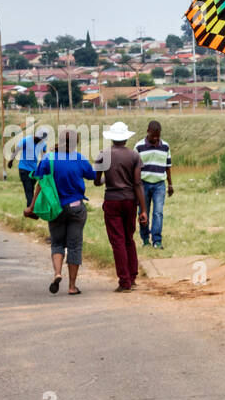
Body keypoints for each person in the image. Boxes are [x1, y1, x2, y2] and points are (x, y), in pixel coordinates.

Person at [24, 128, 98, 295]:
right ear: (76, 142)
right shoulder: (79, 159)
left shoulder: (48, 159)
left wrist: (32, 206)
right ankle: (72, 286)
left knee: (57, 243)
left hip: (56, 208)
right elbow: (93, 176)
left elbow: (40, 183)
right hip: (76, 208)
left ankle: (57, 273)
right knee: (74, 246)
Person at [94, 121, 147, 291]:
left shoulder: (103, 155)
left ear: (111, 138)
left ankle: (123, 281)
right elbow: (138, 183)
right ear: (125, 138)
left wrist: (104, 179)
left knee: (117, 241)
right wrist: (143, 209)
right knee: (128, 238)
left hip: (112, 200)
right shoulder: (134, 156)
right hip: (130, 201)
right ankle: (132, 276)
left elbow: (96, 181)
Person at [136, 121, 173, 249]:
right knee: (143, 212)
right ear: (148, 131)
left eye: (158, 136)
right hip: (143, 185)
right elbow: (135, 169)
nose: (155, 139)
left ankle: (157, 240)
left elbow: (168, 167)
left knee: (158, 213)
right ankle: (145, 239)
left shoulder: (165, 146)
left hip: (159, 185)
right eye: (153, 136)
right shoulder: (139, 147)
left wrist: (170, 185)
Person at [13, 122, 52, 218]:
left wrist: (44, 168)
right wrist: (11, 160)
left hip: (34, 171)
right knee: (28, 189)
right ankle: (31, 210)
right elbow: (17, 149)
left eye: (41, 139)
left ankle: (31, 208)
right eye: (39, 139)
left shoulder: (43, 144)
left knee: (33, 189)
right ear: (36, 135)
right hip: (23, 168)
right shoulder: (26, 140)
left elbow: (43, 156)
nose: (40, 141)